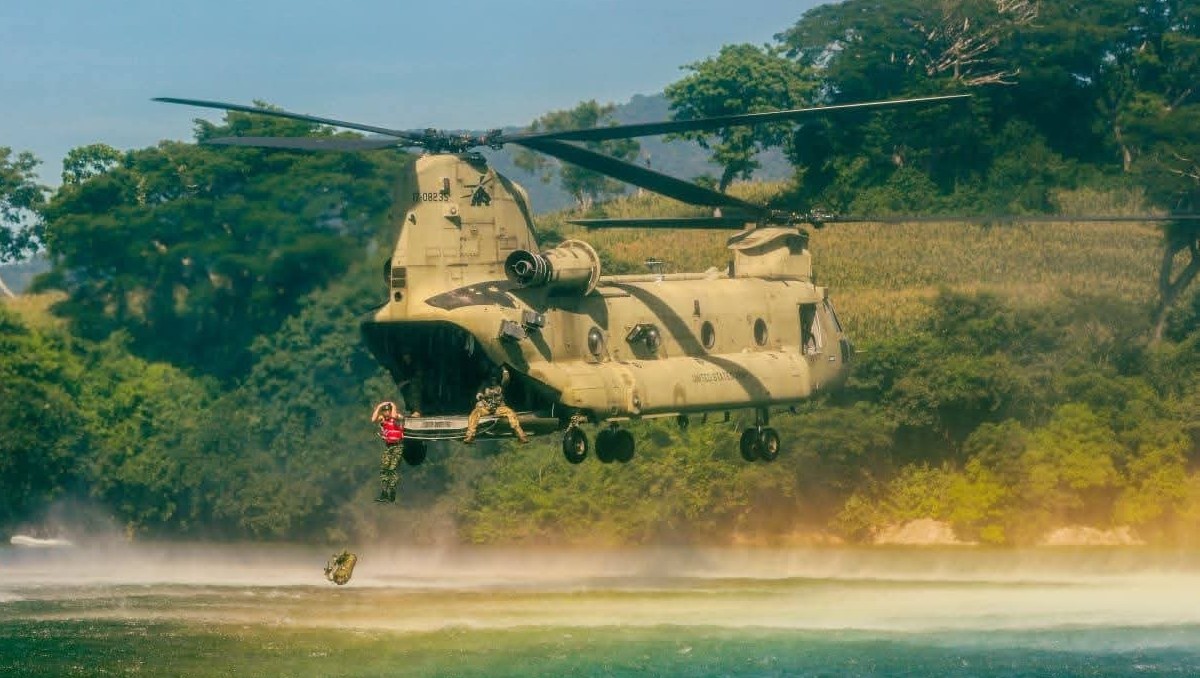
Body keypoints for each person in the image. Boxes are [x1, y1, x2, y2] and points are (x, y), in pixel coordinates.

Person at [463, 367, 528, 444]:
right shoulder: (484, 385)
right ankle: (470, 435)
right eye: (491, 377)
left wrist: (505, 369)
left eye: (495, 377)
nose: (493, 379)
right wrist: (480, 396)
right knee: (475, 413)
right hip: (486, 408)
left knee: (510, 413)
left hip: (499, 408)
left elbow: (506, 379)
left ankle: (520, 435)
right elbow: (479, 393)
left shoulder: (501, 385)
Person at [371, 401, 404, 503]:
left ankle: (392, 491)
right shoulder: (383, 419)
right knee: (384, 469)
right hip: (388, 447)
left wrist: (393, 404)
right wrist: (379, 406)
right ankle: (384, 492)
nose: (386, 412)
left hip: (397, 447)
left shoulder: (397, 417)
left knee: (392, 469)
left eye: (388, 410)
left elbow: (394, 417)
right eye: (384, 411)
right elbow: (373, 420)